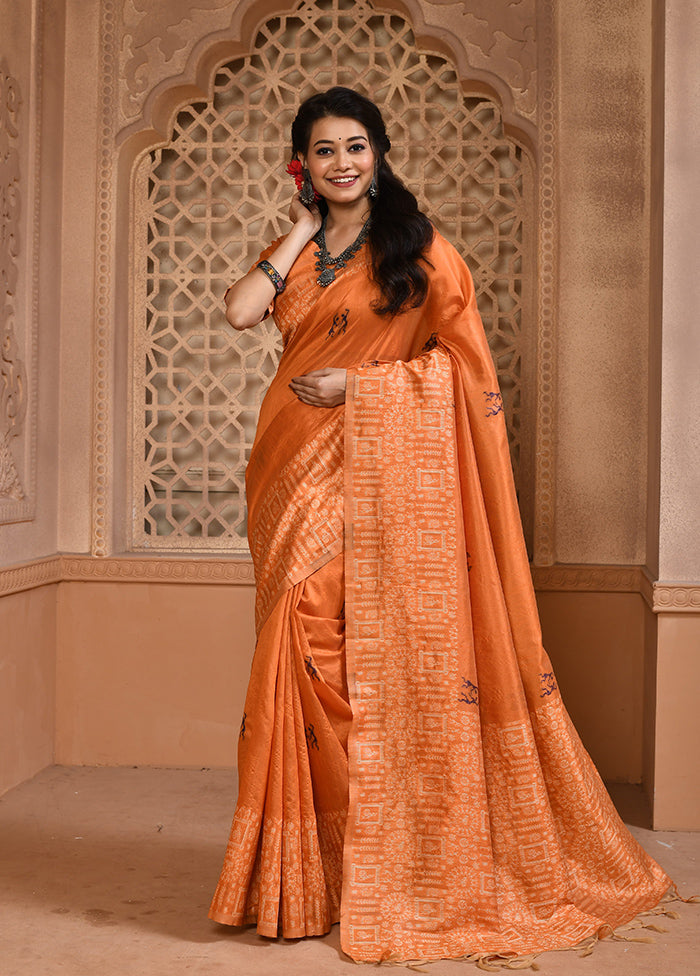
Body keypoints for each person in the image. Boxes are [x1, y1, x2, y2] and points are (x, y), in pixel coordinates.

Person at [208, 86, 672, 965]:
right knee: (293, 651)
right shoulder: (298, 253)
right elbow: (238, 312)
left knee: (324, 648)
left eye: (356, 147)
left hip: (369, 469)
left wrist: (363, 389)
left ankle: (390, 861)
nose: (342, 163)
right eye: (324, 150)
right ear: (302, 165)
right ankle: (317, 878)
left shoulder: (419, 254)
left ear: (380, 154)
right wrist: (302, 228)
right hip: (285, 471)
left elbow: (466, 379)